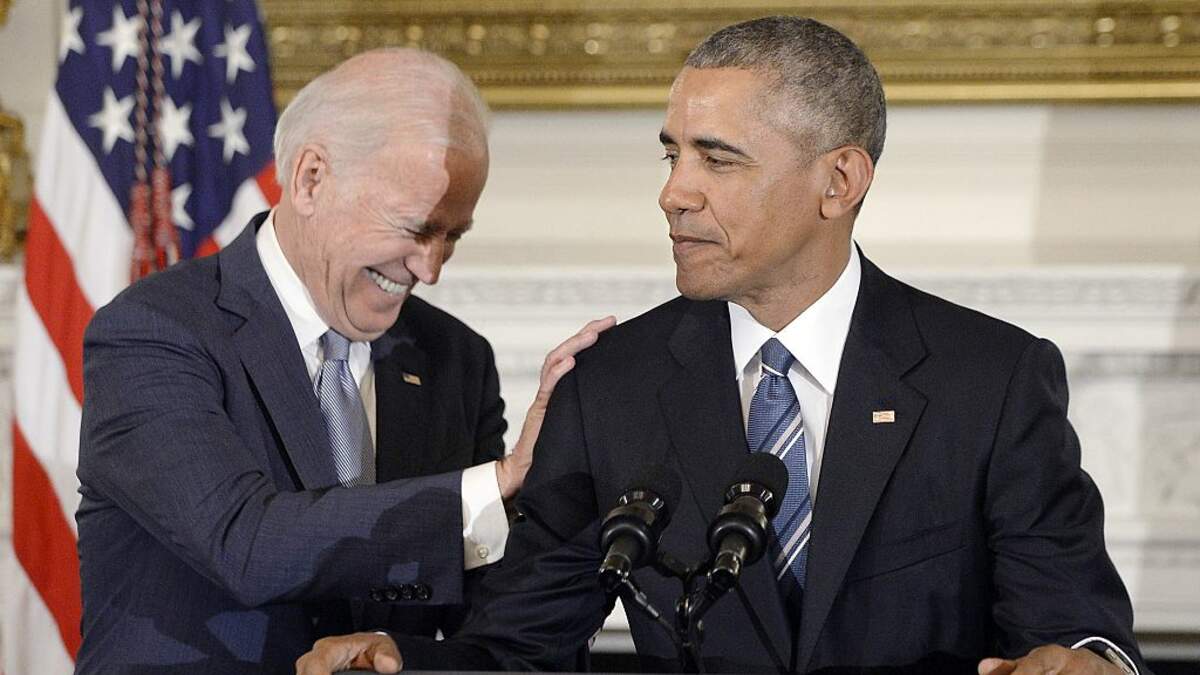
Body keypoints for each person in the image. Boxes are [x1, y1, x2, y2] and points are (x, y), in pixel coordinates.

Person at [297, 17, 1146, 675]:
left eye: (718, 160)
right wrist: (406, 663)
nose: (673, 193)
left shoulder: (991, 379)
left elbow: (1075, 628)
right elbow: (520, 647)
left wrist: (1087, 661)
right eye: (672, 155)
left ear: (838, 181)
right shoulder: (611, 385)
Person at [75, 48, 613, 673]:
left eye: (452, 236)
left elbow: (489, 619)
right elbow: (243, 542)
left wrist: (564, 494)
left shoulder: (454, 358)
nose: (430, 270)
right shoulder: (155, 332)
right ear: (311, 179)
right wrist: (498, 481)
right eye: (415, 228)